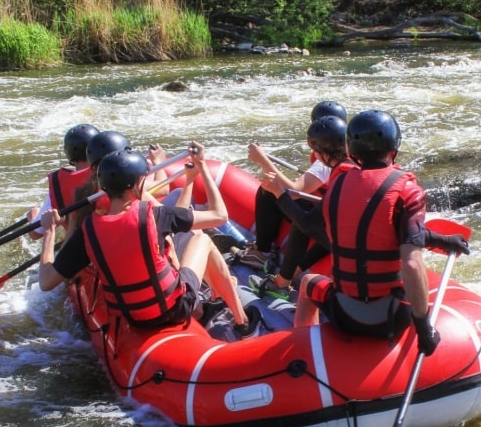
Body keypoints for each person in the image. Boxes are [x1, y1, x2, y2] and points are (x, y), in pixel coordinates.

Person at [259, 110, 469, 356]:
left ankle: (307, 352)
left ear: (352, 150)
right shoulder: (408, 191)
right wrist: (424, 329)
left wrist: (280, 195)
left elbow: (307, 223)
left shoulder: (338, 184)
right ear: (394, 149)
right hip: (394, 320)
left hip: (344, 314)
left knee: (306, 282)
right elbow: (411, 261)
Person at [38, 142, 262, 340]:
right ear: (138, 185)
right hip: (172, 309)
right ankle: (243, 323)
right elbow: (219, 215)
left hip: (134, 318)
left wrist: (49, 233)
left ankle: (211, 300)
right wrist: (202, 166)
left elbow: (46, 282)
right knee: (201, 240)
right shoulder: (155, 214)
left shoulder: (88, 230)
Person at [247, 114, 355, 300]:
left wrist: (278, 191)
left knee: (303, 217)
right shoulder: (356, 164)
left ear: (322, 152)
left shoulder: (341, 176)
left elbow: (306, 222)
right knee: (314, 217)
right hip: (352, 238)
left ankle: (280, 281)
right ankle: (291, 272)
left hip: (348, 244)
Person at [237, 100, 349, 272]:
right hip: (329, 217)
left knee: (268, 192)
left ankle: (263, 253)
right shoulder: (344, 154)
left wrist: (262, 161)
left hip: (323, 222)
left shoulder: (326, 163)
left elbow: (294, 193)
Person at [26, 123, 99, 240]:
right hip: (111, 240)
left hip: (80, 247)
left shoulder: (58, 185)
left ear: (69, 152)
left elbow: (36, 233)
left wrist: (33, 218)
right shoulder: (111, 173)